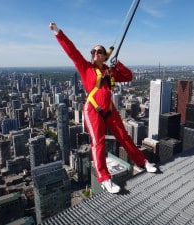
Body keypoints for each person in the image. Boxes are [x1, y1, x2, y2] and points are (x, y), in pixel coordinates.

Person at [49, 22, 156, 194]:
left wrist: (117, 64)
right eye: (93, 51)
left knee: (124, 136)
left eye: (99, 51)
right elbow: (72, 51)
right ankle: (105, 178)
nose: (95, 53)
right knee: (98, 143)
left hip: (109, 109)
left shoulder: (110, 71)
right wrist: (58, 32)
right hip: (93, 109)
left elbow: (128, 76)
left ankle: (142, 162)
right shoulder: (86, 68)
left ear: (104, 55)